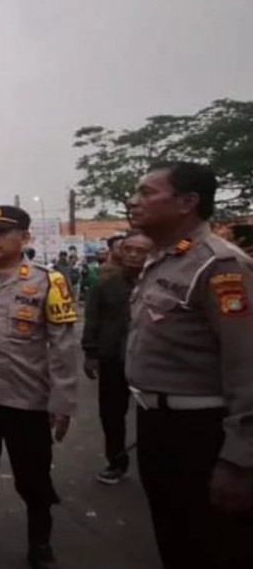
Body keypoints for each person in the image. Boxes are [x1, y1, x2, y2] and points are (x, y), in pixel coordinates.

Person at [126, 162, 253, 569]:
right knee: (173, 536)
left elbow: (247, 365)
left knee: (212, 544)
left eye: (147, 193)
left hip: (202, 433)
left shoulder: (220, 266)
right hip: (156, 424)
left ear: (187, 202)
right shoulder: (164, 258)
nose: (134, 201)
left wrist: (239, 458)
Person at [0, 206, 79, 569]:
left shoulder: (48, 282)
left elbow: (62, 347)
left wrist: (63, 402)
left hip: (27, 400)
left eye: (1, 231)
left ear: (25, 237)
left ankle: (40, 542)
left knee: (34, 476)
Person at [82, 231, 153, 485]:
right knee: (111, 414)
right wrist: (90, 353)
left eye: (140, 250)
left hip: (151, 362)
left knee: (153, 415)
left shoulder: (160, 283)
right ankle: (116, 461)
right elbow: (92, 319)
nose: (133, 255)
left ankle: (154, 465)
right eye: (128, 249)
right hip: (113, 358)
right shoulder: (106, 285)